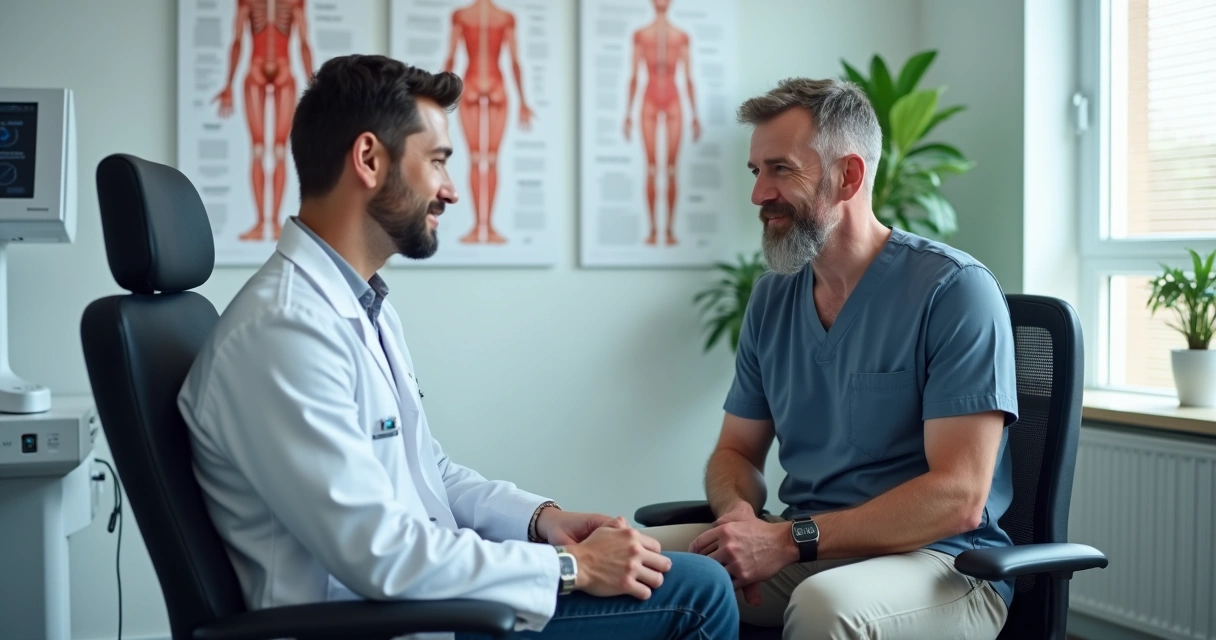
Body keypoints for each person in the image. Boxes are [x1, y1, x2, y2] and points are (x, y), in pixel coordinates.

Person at [177, 55, 738, 640]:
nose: (452, 190)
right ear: (369, 159)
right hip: (381, 623)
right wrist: (572, 568)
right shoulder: (284, 331)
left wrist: (541, 520)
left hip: (424, 608)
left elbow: (428, 473)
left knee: (679, 576)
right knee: (698, 593)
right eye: (438, 161)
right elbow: (379, 555)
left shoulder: (358, 305)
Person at [645, 78, 1018, 639]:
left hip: (944, 565)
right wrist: (739, 519)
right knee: (633, 563)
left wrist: (784, 541)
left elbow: (959, 497)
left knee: (825, 605)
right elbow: (735, 452)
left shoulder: (953, 290)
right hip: (806, 548)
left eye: (781, 169)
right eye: (755, 172)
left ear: (848, 176)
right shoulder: (773, 297)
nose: (758, 194)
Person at [213, 0, 314, 242]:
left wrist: (314, 84)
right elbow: (237, 41)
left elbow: (303, 43)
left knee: (279, 150)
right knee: (258, 150)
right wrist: (228, 84)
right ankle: (260, 223)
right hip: (256, 70)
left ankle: (275, 223)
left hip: (283, 70)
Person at [443, 0, 531, 245]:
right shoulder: (504, 17)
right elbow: (514, 62)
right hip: (496, 85)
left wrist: (436, 97)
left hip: (471, 83)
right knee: (489, 160)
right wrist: (523, 100)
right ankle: (486, 227)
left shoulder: (462, 15)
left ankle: (481, 227)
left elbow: (450, 60)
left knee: (478, 159)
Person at [622, 0, 700, 247]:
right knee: (652, 168)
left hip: (674, 100)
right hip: (649, 99)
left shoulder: (681, 36)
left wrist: (695, 115)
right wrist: (626, 113)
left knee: (672, 169)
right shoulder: (641, 35)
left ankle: (668, 230)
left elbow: (688, 78)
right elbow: (633, 76)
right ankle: (654, 230)